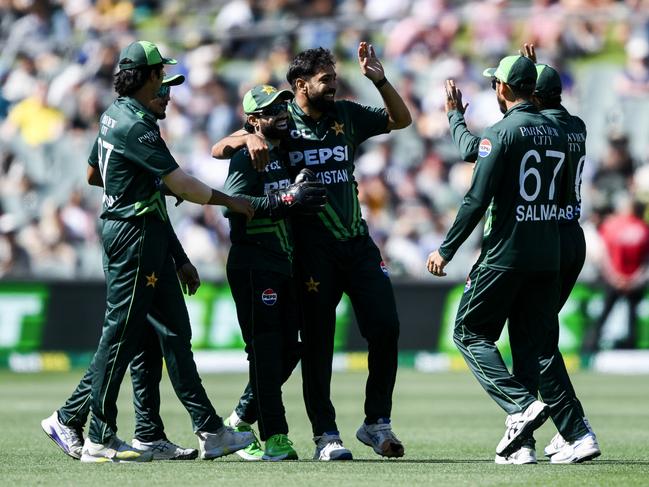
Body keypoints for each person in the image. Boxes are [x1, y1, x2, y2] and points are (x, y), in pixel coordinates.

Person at [43, 40, 255, 463]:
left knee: (171, 334)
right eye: (162, 78)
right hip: (132, 234)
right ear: (147, 78)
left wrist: (175, 252)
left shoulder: (115, 116)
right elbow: (183, 187)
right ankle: (85, 428)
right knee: (122, 333)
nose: (169, 91)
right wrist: (235, 202)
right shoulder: (134, 127)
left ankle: (191, 431)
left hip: (147, 233)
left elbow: (93, 174)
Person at [212, 43, 411, 460]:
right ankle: (326, 434)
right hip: (310, 253)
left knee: (387, 326)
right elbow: (222, 147)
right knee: (317, 345)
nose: (334, 85)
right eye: (327, 79)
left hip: (357, 243)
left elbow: (401, 119)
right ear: (301, 85)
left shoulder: (347, 115)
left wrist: (380, 78)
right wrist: (247, 135)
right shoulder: (284, 126)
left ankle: (376, 422)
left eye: (335, 77)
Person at [442, 46, 601, 464]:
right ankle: (541, 437)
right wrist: (534, 69)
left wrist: (457, 118)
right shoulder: (572, 127)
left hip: (528, 239)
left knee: (485, 334)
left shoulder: (512, 130)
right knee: (534, 341)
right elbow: (541, 122)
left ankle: (536, 417)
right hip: (562, 240)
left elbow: (479, 159)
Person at [223, 84, 327, 461]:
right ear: (253, 121)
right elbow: (233, 206)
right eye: (270, 111)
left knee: (289, 349)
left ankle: (237, 420)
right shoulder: (248, 156)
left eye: (283, 105)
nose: (281, 113)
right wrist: (286, 200)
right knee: (266, 352)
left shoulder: (281, 153)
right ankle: (275, 438)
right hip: (254, 262)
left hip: (280, 263)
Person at [583, 195, 649, 354]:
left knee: (604, 314)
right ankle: (630, 347)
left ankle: (589, 347)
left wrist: (614, 278)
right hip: (634, 281)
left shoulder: (612, 225)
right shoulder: (644, 229)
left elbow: (604, 255)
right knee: (631, 317)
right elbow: (646, 261)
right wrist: (633, 281)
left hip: (613, 280)